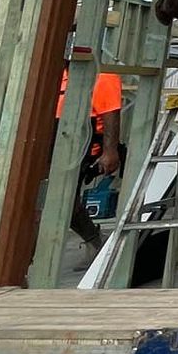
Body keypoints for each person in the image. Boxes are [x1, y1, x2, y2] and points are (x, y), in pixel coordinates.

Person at [55, 58, 124, 265]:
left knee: (62, 201)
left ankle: (95, 241)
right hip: (53, 144)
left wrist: (110, 151)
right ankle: (95, 241)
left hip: (81, 148)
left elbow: (111, 114)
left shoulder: (102, 75)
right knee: (62, 202)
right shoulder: (54, 74)